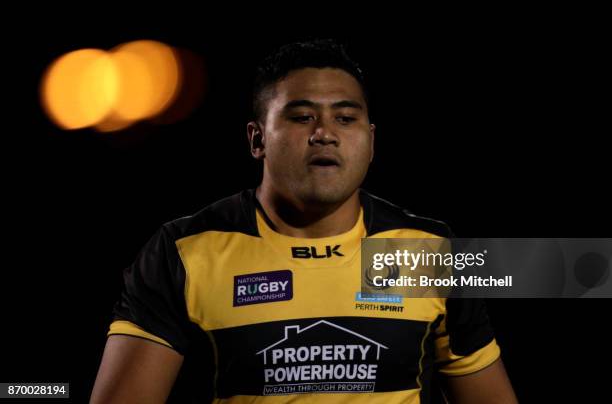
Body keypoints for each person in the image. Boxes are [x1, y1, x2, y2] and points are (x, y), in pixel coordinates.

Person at [90, 39, 517, 403]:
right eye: (302, 117)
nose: (325, 133)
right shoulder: (182, 251)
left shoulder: (430, 250)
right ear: (257, 139)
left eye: (345, 118)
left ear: (371, 141)